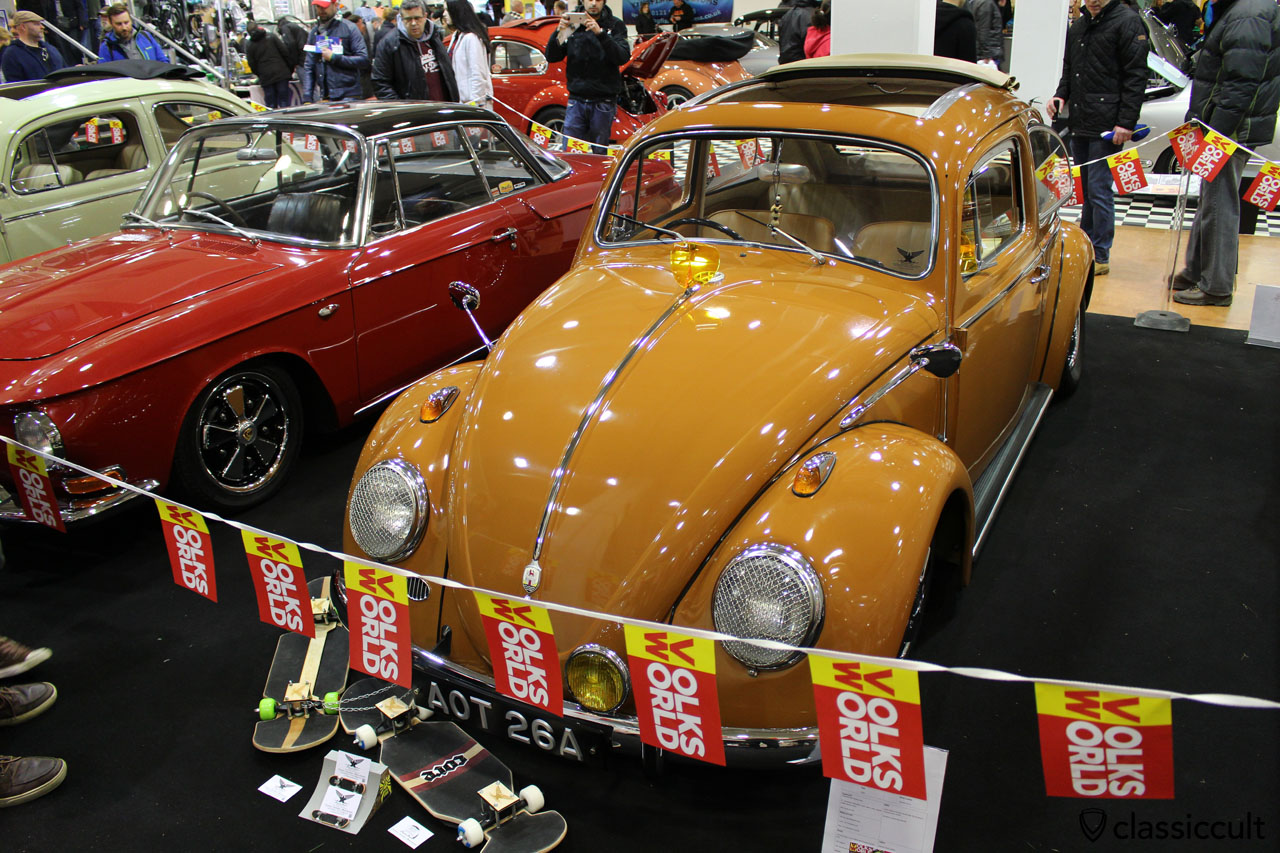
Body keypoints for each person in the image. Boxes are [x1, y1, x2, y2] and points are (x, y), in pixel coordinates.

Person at [1171, 0, 1280, 307]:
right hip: (1227, 125)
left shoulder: (1247, 13)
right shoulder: (1243, 10)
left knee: (1219, 203)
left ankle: (1216, 286)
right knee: (1212, 200)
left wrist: (1216, 132)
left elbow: (1241, 83)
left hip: (1229, 129)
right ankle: (1197, 271)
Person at [1048, 0, 1148, 277]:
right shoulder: (1080, 26)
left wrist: (1126, 122)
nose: (1093, 0)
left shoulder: (1127, 22)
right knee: (1087, 189)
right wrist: (1060, 95)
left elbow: (1136, 76)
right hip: (1081, 120)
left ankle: (1100, 253)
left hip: (1107, 125)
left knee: (1099, 189)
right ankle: (1088, 247)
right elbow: (1070, 70)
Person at [545, 0, 628, 152]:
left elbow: (622, 57)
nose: (594, 3)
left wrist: (600, 34)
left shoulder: (615, 25)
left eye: (598, 0)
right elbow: (552, 56)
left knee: (600, 153)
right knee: (571, 152)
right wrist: (558, 32)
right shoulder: (572, 23)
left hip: (603, 100)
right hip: (576, 99)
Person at [371, 0, 457, 100]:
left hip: (444, 106)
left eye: (417, 18)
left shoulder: (434, 36)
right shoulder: (389, 43)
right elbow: (380, 83)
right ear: (401, 19)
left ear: (425, 16)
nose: (413, 23)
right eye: (408, 19)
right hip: (413, 108)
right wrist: (402, 107)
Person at [301, 0, 369, 103]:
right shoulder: (314, 33)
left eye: (324, 7)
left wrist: (334, 57)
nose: (321, 10)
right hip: (326, 96)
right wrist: (307, 97)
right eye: (318, 7)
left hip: (349, 95)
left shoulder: (350, 28)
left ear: (335, 5)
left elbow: (363, 59)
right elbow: (309, 66)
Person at [446, 0, 492, 108]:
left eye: (447, 10)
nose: (444, 14)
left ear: (456, 11)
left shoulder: (471, 38)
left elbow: (477, 73)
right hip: (461, 102)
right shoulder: (456, 36)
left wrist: (475, 103)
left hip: (473, 103)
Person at [1, 10, 67, 81]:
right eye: (36, 24)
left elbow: (65, 71)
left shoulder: (51, 49)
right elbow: (15, 84)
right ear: (23, 27)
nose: (42, 27)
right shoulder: (12, 54)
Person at [245, 23, 294, 108]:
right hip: (281, 72)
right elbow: (285, 52)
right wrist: (290, 69)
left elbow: (252, 64)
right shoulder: (271, 36)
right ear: (258, 27)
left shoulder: (249, 45)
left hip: (265, 76)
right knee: (284, 102)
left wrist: (259, 74)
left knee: (270, 104)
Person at [98, 3, 168, 62]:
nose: (124, 27)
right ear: (111, 23)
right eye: (119, 24)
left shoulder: (146, 36)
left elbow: (163, 61)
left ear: (131, 20)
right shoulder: (106, 47)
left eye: (126, 22)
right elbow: (104, 72)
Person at [344, 11, 376, 97]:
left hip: (365, 72)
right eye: (361, 23)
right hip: (360, 73)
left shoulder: (363, 35)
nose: (363, 26)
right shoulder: (355, 39)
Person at [966, 0, 1003, 67]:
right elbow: (983, 29)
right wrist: (986, 54)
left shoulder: (976, 3)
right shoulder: (986, 3)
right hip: (989, 52)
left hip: (984, 51)